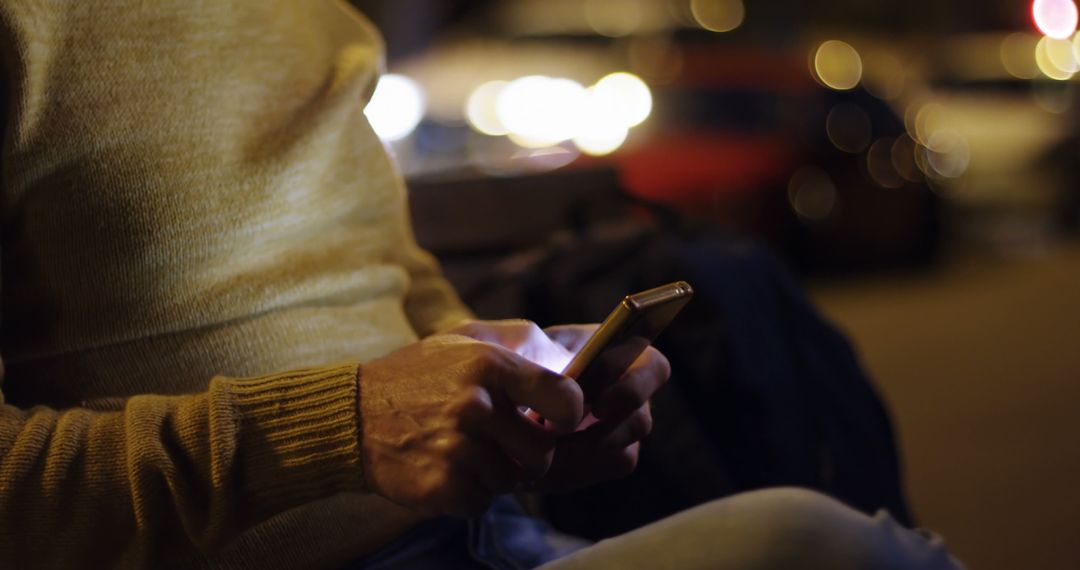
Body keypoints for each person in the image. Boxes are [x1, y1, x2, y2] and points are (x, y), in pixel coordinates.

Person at [0, 1, 964, 568]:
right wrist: (342, 430)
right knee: (821, 546)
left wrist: (516, 396)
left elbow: (400, 273)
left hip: (488, 536)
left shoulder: (301, 18)